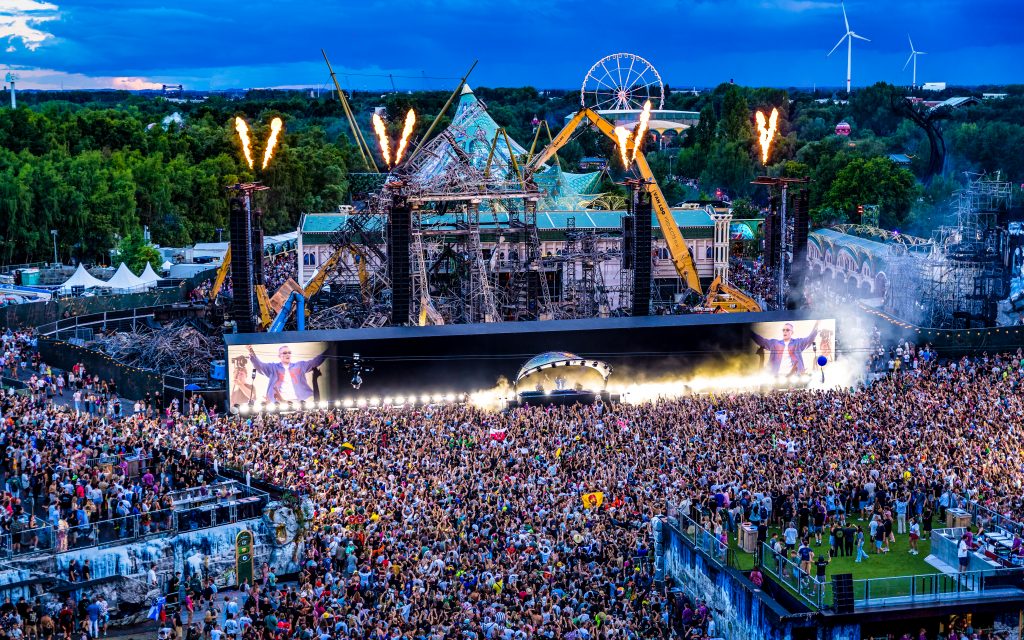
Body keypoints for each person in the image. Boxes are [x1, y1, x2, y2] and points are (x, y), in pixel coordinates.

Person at [246, 345, 327, 403]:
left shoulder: (300, 365)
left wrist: (329, 351)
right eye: (284, 353)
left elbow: (315, 362)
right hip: (279, 402)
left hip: (298, 401)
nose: (287, 354)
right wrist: (251, 352)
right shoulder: (273, 367)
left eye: (289, 352)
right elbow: (260, 365)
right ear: (279, 356)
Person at [751, 321, 820, 376]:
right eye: (783, 330)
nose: (785, 331)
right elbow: (762, 341)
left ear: (792, 332)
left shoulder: (798, 343)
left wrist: (817, 325)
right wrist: (750, 332)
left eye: (787, 330)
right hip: (777, 376)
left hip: (795, 376)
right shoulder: (775, 343)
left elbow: (809, 339)